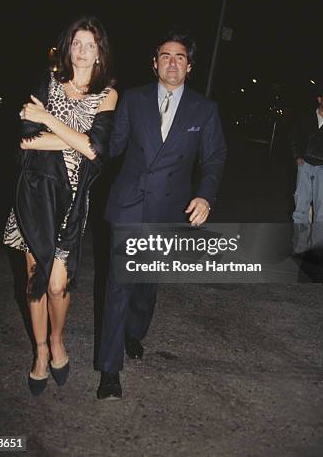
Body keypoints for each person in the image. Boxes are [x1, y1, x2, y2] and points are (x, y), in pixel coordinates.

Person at [96, 28, 227, 399]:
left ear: (189, 66)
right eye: (166, 56)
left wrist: (205, 197)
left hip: (169, 208)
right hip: (129, 204)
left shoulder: (205, 109)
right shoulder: (132, 100)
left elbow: (215, 159)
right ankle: (109, 371)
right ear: (154, 64)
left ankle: (134, 332)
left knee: (144, 285)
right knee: (118, 286)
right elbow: (112, 148)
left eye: (180, 57)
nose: (173, 63)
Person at [3, 16, 117, 395]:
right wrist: (76, 139)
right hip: (33, 196)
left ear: (100, 52)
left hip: (71, 203)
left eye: (91, 44)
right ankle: (39, 352)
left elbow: (95, 150)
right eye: (77, 43)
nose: (83, 51)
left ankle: (57, 340)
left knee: (57, 284)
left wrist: (48, 120)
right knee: (36, 279)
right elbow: (25, 141)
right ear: (67, 47)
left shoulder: (108, 94)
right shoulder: (48, 81)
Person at [290, 85, 323, 251]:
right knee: (300, 208)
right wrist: (296, 156)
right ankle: (299, 246)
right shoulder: (306, 117)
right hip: (305, 165)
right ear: (319, 99)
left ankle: (316, 247)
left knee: (321, 212)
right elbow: (293, 136)